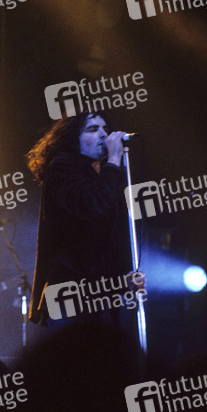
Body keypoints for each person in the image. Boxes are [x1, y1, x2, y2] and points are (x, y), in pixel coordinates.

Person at [26, 112, 135, 327]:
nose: (104, 135)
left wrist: (124, 278)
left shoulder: (102, 174)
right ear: (72, 139)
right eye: (93, 129)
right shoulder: (62, 168)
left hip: (101, 294)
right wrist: (114, 161)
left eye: (105, 129)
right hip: (71, 292)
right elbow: (92, 205)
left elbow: (109, 235)